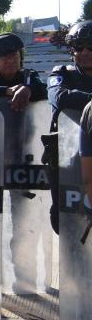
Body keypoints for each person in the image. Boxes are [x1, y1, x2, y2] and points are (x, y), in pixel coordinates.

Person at [47, 21, 92, 233]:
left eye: (90, 46)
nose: (85, 52)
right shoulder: (62, 74)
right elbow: (60, 98)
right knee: (66, 225)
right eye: (79, 47)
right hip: (66, 163)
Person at [0, 32, 48, 111]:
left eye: (14, 55)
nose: (10, 60)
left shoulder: (28, 76)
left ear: (21, 57)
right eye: (4, 56)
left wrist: (29, 89)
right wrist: (6, 91)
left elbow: (46, 90)